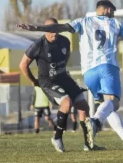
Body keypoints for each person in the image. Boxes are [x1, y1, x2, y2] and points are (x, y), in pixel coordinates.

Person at [17, 0, 123, 154]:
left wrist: (36, 27)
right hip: (107, 67)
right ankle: (94, 122)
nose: (113, 14)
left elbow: (62, 27)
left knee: (101, 106)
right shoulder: (115, 23)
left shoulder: (83, 21)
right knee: (113, 103)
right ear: (106, 10)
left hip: (88, 73)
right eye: (112, 11)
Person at [19, 18, 92, 153]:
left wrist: (63, 73)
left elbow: (65, 58)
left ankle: (89, 144)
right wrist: (33, 81)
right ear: (45, 30)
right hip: (48, 81)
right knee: (66, 102)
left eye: (56, 30)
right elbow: (22, 65)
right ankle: (57, 137)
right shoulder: (38, 45)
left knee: (83, 105)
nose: (55, 33)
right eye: (51, 31)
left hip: (64, 77)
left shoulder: (65, 41)